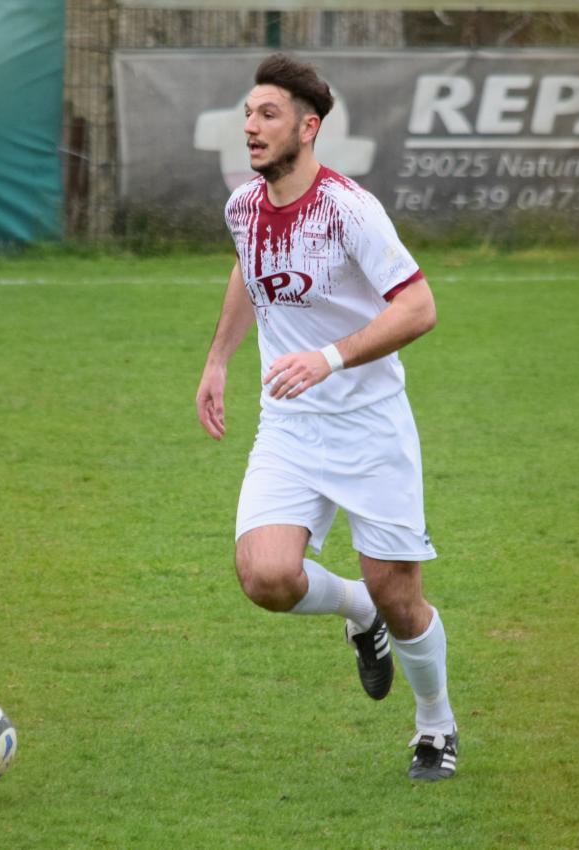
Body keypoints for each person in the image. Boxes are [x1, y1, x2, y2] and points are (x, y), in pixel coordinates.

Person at [194, 54, 457, 781]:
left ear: (308, 129)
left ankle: (435, 724)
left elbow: (419, 307)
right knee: (266, 577)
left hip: (370, 426)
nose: (251, 126)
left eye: (267, 114)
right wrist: (218, 360)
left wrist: (331, 358)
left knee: (401, 596)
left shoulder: (350, 209)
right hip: (290, 426)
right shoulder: (243, 206)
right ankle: (356, 612)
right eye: (247, 113)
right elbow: (251, 271)